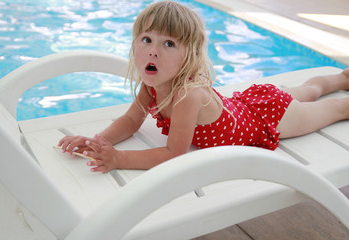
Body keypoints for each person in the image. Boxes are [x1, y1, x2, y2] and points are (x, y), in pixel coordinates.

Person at [58, 1, 349, 173]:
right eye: (147, 39)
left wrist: (119, 159)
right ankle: (341, 79)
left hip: (266, 119)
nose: (153, 51)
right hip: (249, 103)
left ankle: (340, 87)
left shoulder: (186, 95)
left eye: (168, 44)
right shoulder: (153, 84)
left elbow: (174, 153)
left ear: (190, 55)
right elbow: (131, 120)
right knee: (307, 91)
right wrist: (97, 142)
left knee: (333, 109)